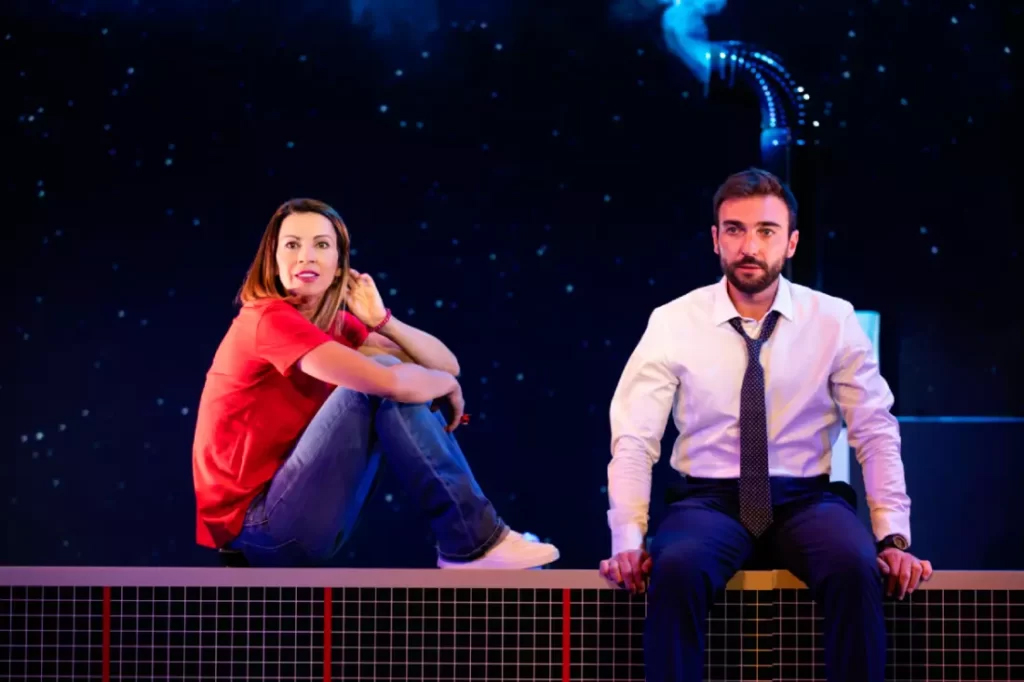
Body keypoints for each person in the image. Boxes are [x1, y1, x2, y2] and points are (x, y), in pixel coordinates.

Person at [599, 168, 933, 682]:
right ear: (716, 239)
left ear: (791, 242)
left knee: (856, 565)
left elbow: (874, 429)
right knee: (676, 569)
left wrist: (893, 537)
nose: (749, 246)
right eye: (734, 230)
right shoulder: (673, 321)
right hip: (709, 501)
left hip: (806, 499)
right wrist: (627, 539)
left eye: (766, 231)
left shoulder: (833, 319)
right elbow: (634, 437)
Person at [191, 197, 559, 570]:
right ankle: (472, 542)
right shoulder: (267, 320)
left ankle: (472, 542)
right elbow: (391, 380)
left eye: (321, 245)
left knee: (396, 379)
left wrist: (384, 321)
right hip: (258, 530)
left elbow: (447, 364)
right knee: (383, 380)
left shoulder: (335, 326)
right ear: (272, 261)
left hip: (298, 517)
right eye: (292, 245)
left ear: (339, 266)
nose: (306, 257)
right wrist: (442, 383)